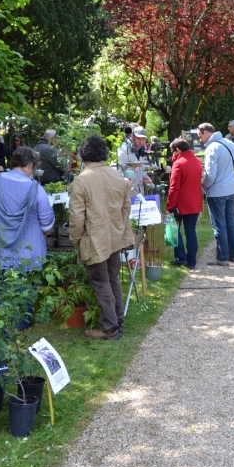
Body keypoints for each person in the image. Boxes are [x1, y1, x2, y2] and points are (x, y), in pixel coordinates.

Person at [0, 147, 55, 330]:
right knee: (23, 284)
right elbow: (47, 223)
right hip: (26, 249)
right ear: (30, 165)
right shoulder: (35, 189)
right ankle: (20, 322)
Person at [69, 136, 135, 340]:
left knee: (101, 281)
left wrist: (76, 239)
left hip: (95, 238)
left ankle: (109, 327)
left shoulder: (82, 180)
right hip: (114, 237)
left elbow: (76, 218)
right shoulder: (118, 176)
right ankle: (117, 320)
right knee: (112, 278)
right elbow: (126, 209)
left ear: (83, 155)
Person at [198, 122, 234, 266]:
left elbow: (210, 176)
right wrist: (232, 179)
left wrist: (203, 187)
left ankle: (222, 257)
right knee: (231, 221)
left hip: (217, 192)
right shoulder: (229, 143)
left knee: (219, 224)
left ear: (206, 132)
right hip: (231, 190)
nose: (200, 139)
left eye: (200, 135)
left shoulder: (212, 148)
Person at [166, 138, 203, 270]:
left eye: (173, 151)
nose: (172, 154)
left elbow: (174, 187)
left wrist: (170, 205)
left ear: (178, 150)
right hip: (194, 202)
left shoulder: (179, 163)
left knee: (174, 230)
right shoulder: (198, 161)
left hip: (179, 204)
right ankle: (192, 262)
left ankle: (181, 258)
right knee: (191, 231)